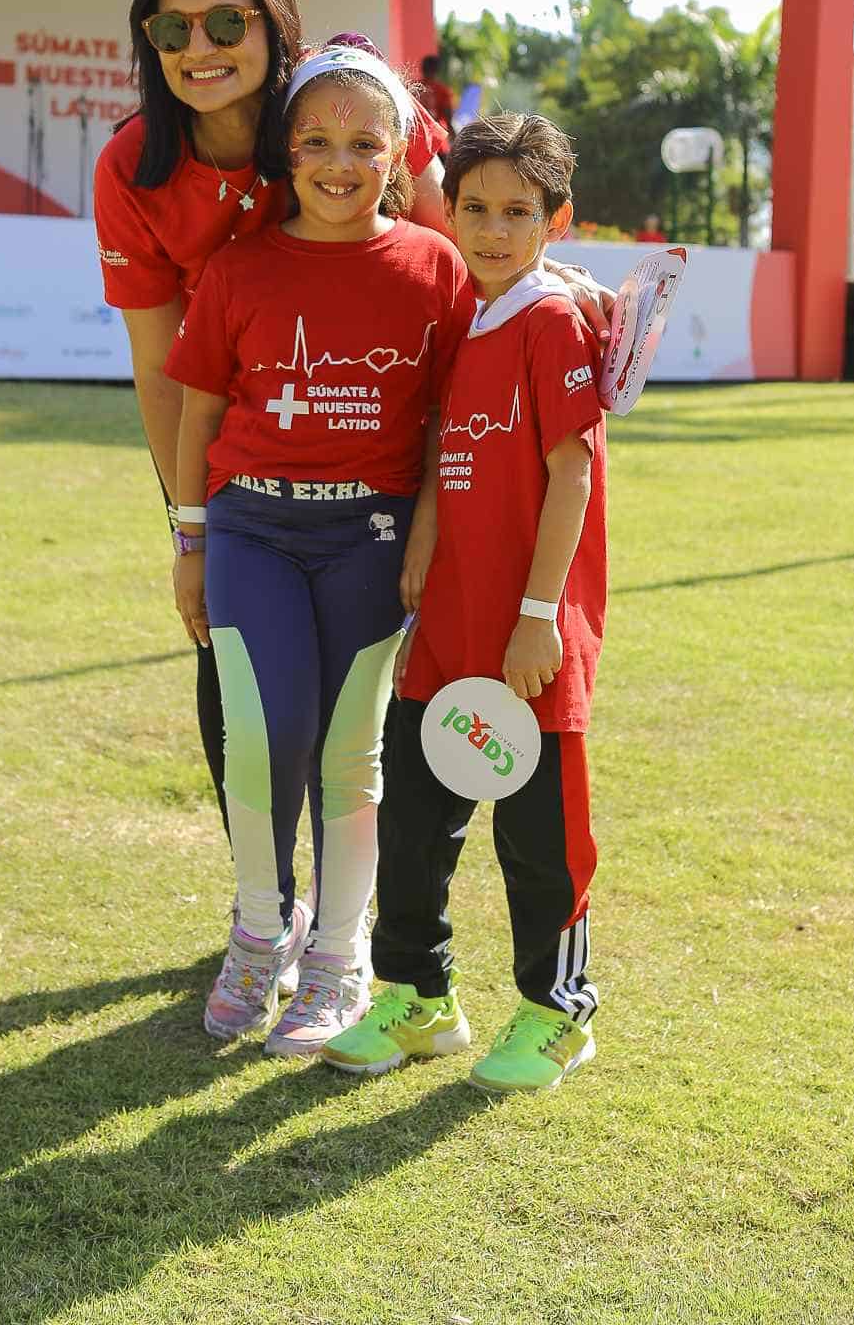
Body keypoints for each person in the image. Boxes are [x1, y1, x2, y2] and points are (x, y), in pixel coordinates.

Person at [93, 0, 453, 835]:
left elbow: (465, 253)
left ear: (272, 22)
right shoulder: (133, 167)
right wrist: (191, 529)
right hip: (233, 465)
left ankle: (353, 907)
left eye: (223, 22)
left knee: (372, 678)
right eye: (170, 32)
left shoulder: (340, 111)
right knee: (234, 671)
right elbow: (160, 369)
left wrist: (556, 283)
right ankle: (265, 902)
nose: (199, 49)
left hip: (377, 461)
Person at [165, 47, 472, 1053]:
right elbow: (198, 406)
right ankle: (263, 930)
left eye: (363, 142)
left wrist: (423, 528)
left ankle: (337, 959)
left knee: (351, 752)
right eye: (316, 142)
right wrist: (189, 541)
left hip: (370, 535)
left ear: (397, 156)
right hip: (252, 525)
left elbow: (450, 416)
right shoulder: (238, 267)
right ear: (284, 152)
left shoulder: (436, 267)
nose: (339, 163)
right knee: (264, 735)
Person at [324, 113, 606, 1096]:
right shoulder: (469, 317)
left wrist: (538, 613)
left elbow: (569, 473)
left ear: (553, 220)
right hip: (443, 626)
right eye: (474, 207)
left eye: (516, 212)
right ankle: (418, 996)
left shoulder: (550, 318)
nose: (491, 229)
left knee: (537, 840)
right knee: (414, 820)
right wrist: (426, 554)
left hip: (528, 634)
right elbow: (449, 446)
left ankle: (556, 1013)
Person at [416, 52, 455, 135]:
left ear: (422, 68)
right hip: (434, 135)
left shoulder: (412, 87)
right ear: (437, 70)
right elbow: (448, 115)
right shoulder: (443, 90)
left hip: (415, 134)